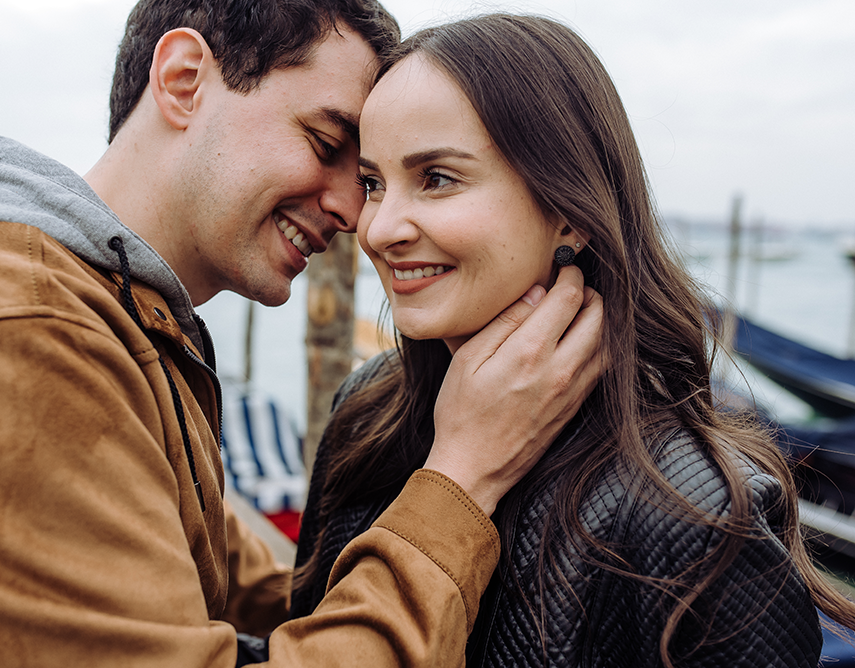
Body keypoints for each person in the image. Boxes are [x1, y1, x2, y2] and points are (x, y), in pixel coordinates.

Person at [0, 1, 604, 666]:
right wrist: (465, 474)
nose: (356, 213)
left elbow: (248, 590)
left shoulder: (111, 312)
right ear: (184, 80)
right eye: (323, 142)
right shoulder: (5, 327)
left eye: (366, 177)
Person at [290, 13, 855, 668]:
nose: (380, 229)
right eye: (372, 184)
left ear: (568, 213)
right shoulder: (366, 414)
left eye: (438, 178)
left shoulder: (698, 520)